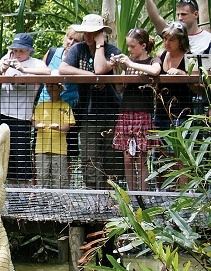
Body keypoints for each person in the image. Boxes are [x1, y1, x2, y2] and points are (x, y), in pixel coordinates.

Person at [59, 14, 123, 190]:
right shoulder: (77, 49)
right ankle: (92, 195)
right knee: (89, 156)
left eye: (92, 33)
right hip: (87, 113)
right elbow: (63, 68)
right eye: (85, 32)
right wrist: (91, 77)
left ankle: (113, 195)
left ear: (100, 33)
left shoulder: (112, 51)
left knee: (111, 156)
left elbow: (100, 68)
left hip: (110, 112)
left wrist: (100, 44)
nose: (88, 36)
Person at [0, 33, 50, 185]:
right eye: (15, 50)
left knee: (20, 154)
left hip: (22, 116)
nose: (17, 54)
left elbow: (47, 73)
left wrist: (23, 70)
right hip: (3, 113)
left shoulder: (35, 63)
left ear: (29, 50)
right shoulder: (6, 58)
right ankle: (6, 191)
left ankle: (23, 192)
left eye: (21, 51)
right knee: (3, 153)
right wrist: (2, 68)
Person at [110, 28, 161, 191]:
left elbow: (155, 71)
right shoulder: (128, 64)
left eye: (132, 46)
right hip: (126, 112)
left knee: (141, 157)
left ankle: (143, 196)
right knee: (127, 158)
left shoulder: (153, 60)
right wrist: (116, 68)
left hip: (143, 113)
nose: (130, 50)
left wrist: (131, 64)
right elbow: (119, 89)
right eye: (129, 47)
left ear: (143, 45)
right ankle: (131, 195)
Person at [38, 27, 83, 186]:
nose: (71, 42)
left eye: (76, 40)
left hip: (68, 107)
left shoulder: (80, 57)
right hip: (45, 106)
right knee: (41, 147)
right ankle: (40, 189)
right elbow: (40, 73)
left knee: (67, 149)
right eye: (69, 38)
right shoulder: (51, 53)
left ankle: (65, 187)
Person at [33, 83, 75, 188]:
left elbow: (68, 125)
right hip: (41, 148)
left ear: (60, 88)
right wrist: (38, 125)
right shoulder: (40, 106)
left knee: (60, 179)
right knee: (42, 178)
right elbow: (34, 122)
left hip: (59, 149)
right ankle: (42, 202)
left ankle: (61, 203)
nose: (50, 89)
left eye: (53, 86)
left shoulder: (65, 106)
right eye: (48, 86)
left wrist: (59, 128)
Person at [157, 21, 194, 129]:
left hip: (182, 114)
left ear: (181, 41)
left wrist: (182, 74)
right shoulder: (161, 55)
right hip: (161, 114)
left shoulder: (189, 58)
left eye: (171, 40)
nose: (167, 42)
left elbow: (198, 87)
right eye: (165, 39)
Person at [145, 0, 211, 54]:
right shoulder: (171, 34)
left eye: (183, 14)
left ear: (196, 14)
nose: (180, 18)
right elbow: (155, 19)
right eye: (178, 14)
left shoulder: (208, 39)